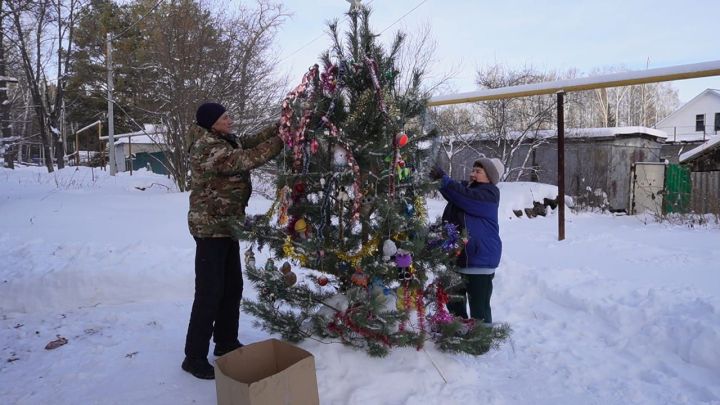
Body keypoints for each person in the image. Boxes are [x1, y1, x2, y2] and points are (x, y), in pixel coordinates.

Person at [183, 102, 284, 380]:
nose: (231, 119)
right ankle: (193, 357)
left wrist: (281, 125)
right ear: (212, 122)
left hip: (228, 226)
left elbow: (251, 141)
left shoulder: (225, 138)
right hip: (210, 228)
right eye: (225, 117)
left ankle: (226, 342)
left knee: (232, 287)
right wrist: (282, 141)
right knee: (209, 293)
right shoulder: (207, 146)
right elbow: (246, 158)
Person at [429, 157, 504, 324]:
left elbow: (463, 196)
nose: (473, 174)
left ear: (490, 177)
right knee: (454, 300)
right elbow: (453, 190)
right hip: (457, 255)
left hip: (479, 258)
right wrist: (434, 175)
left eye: (478, 171)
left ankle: (481, 342)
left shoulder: (489, 194)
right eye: (473, 170)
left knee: (479, 307)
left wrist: (443, 178)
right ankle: (457, 333)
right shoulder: (466, 189)